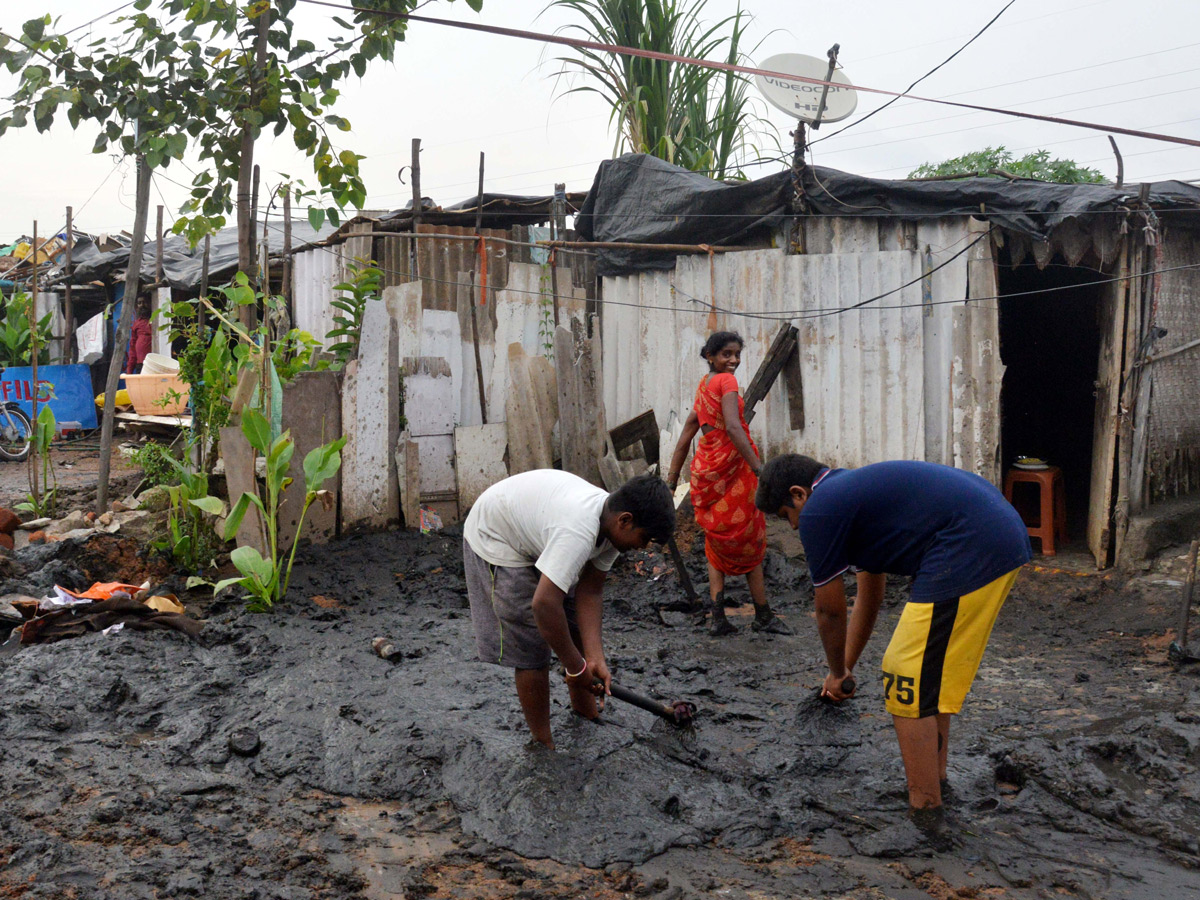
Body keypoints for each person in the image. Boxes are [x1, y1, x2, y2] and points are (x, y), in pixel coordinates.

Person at [755, 455, 1031, 844]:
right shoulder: (851, 495)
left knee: (905, 671)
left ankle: (925, 815)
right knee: (927, 676)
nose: (794, 525)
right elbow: (870, 594)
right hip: (993, 533)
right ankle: (934, 783)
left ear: (799, 494)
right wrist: (845, 668)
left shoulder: (820, 508)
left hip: (970, 543)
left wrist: (834, 671)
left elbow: (829, 611)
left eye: (787, 514)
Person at [463, 470, 676, 749]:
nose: (642, 547)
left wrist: (594, 657)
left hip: (536, 525)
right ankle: (543, 743)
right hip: (496, 533)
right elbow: (543, 605)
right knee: (532, 644)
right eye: (645, 539)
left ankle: (586, 712)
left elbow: (590, 591)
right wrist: (576, 667)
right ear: (626, 520)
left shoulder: (612, 527)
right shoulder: (579, 530)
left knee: (573, 622)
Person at [666, 331, 790, 636]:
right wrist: (760, 470)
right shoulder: (727, 382)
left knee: (716, 542)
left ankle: (717, 616)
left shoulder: (705, 385)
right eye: (726, 354)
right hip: (734, 474)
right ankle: (762, 614)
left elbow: (687, 433)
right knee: (750, 539)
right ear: (710, 355)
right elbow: (734, 427)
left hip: (707, 472)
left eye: (736, 354)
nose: (733, 360)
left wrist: (671, 481)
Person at [125, 295, 152, 374]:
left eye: (145, 302)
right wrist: (129, 371)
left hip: (155, 363)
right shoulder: (137, 324)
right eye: (139, 303)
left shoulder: (158, 320)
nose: (142, 305)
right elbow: (132, 348)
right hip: (141, 364)